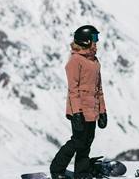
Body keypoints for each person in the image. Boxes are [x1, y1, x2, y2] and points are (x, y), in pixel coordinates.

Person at [49, 25, 107, 179]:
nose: (97, 42)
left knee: (87, 142)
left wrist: (102, 111)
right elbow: (73, 90)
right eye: (94, 38)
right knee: (77, 141)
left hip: (92, 110)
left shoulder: (94, 61)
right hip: (79, 110)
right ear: (86, 41)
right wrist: (76, 113)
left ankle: (81, 173)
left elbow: (98, 89)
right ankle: (57, 169)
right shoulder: (75, 61)